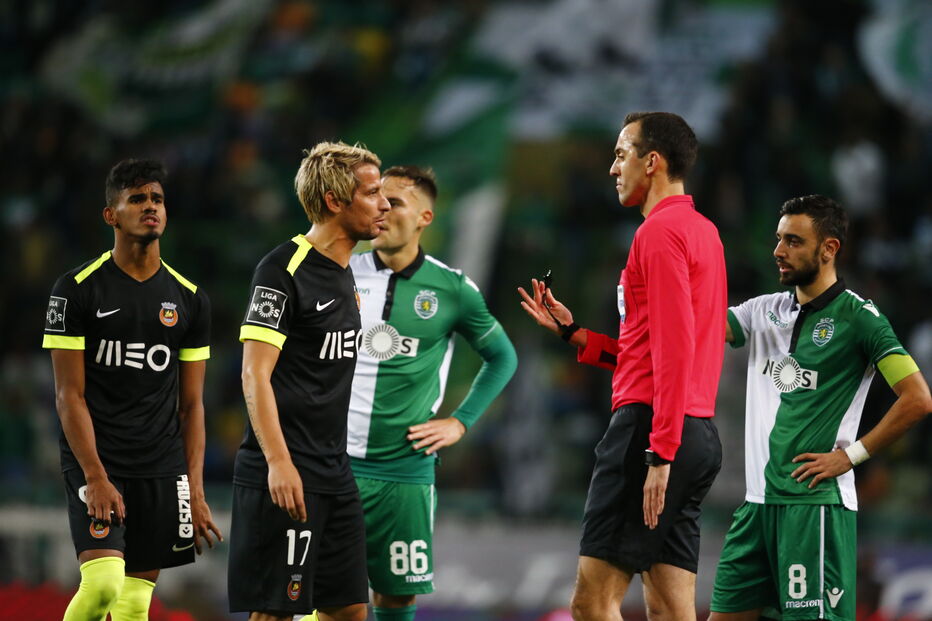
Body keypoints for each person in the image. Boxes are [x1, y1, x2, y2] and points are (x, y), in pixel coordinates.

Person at [518, 111, 727, 621]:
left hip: (651, 432)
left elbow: (676, 348)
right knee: (671, 607)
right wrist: (577, 336)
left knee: (592, 603)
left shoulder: (657, 235)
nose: (613, 168)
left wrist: (659, 453)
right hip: (695, 431)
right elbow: (665, 348)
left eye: (620, 154)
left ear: (651, 161)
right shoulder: (704, 233)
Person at [709, 195, 932, 621]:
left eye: (793, 241)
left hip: (814, 509)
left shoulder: (861, 319)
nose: (778, 251)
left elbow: (918, 398)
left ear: (829, 249)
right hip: (755, 507)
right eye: (778, 239)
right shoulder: (762, 311)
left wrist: (851, 456)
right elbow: (700, 329)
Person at [43, 159, 222, 621]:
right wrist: (95, 476)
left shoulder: (189, 299)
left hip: (161, 466)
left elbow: (191, 406)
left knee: (133, 603)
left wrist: (195, 489)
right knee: (102, 587)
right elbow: (69, 396)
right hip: (99, 461)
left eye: (157, 199)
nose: (150, 208)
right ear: (111, 215)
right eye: (137, 199)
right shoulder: (75, 290)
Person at [228, 141, 390, 621]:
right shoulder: (282, 270)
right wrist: (279, 463)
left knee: (349, 612)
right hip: (283, 473)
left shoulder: (346, 274)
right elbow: (253, 372)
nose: (385, 204)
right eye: (373, 193)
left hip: (334, 474)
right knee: (274, 613)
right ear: (336, 202)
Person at [348, 165, 518, 621]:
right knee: (327, 594)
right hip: (331, 462)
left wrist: (460, 421)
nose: (381, 210)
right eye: (377, 200)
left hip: (404, 471)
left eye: (395, 202)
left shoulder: (453, 289)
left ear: (425, 217)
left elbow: (502, 357)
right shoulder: (337, 273)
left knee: (396, 597)